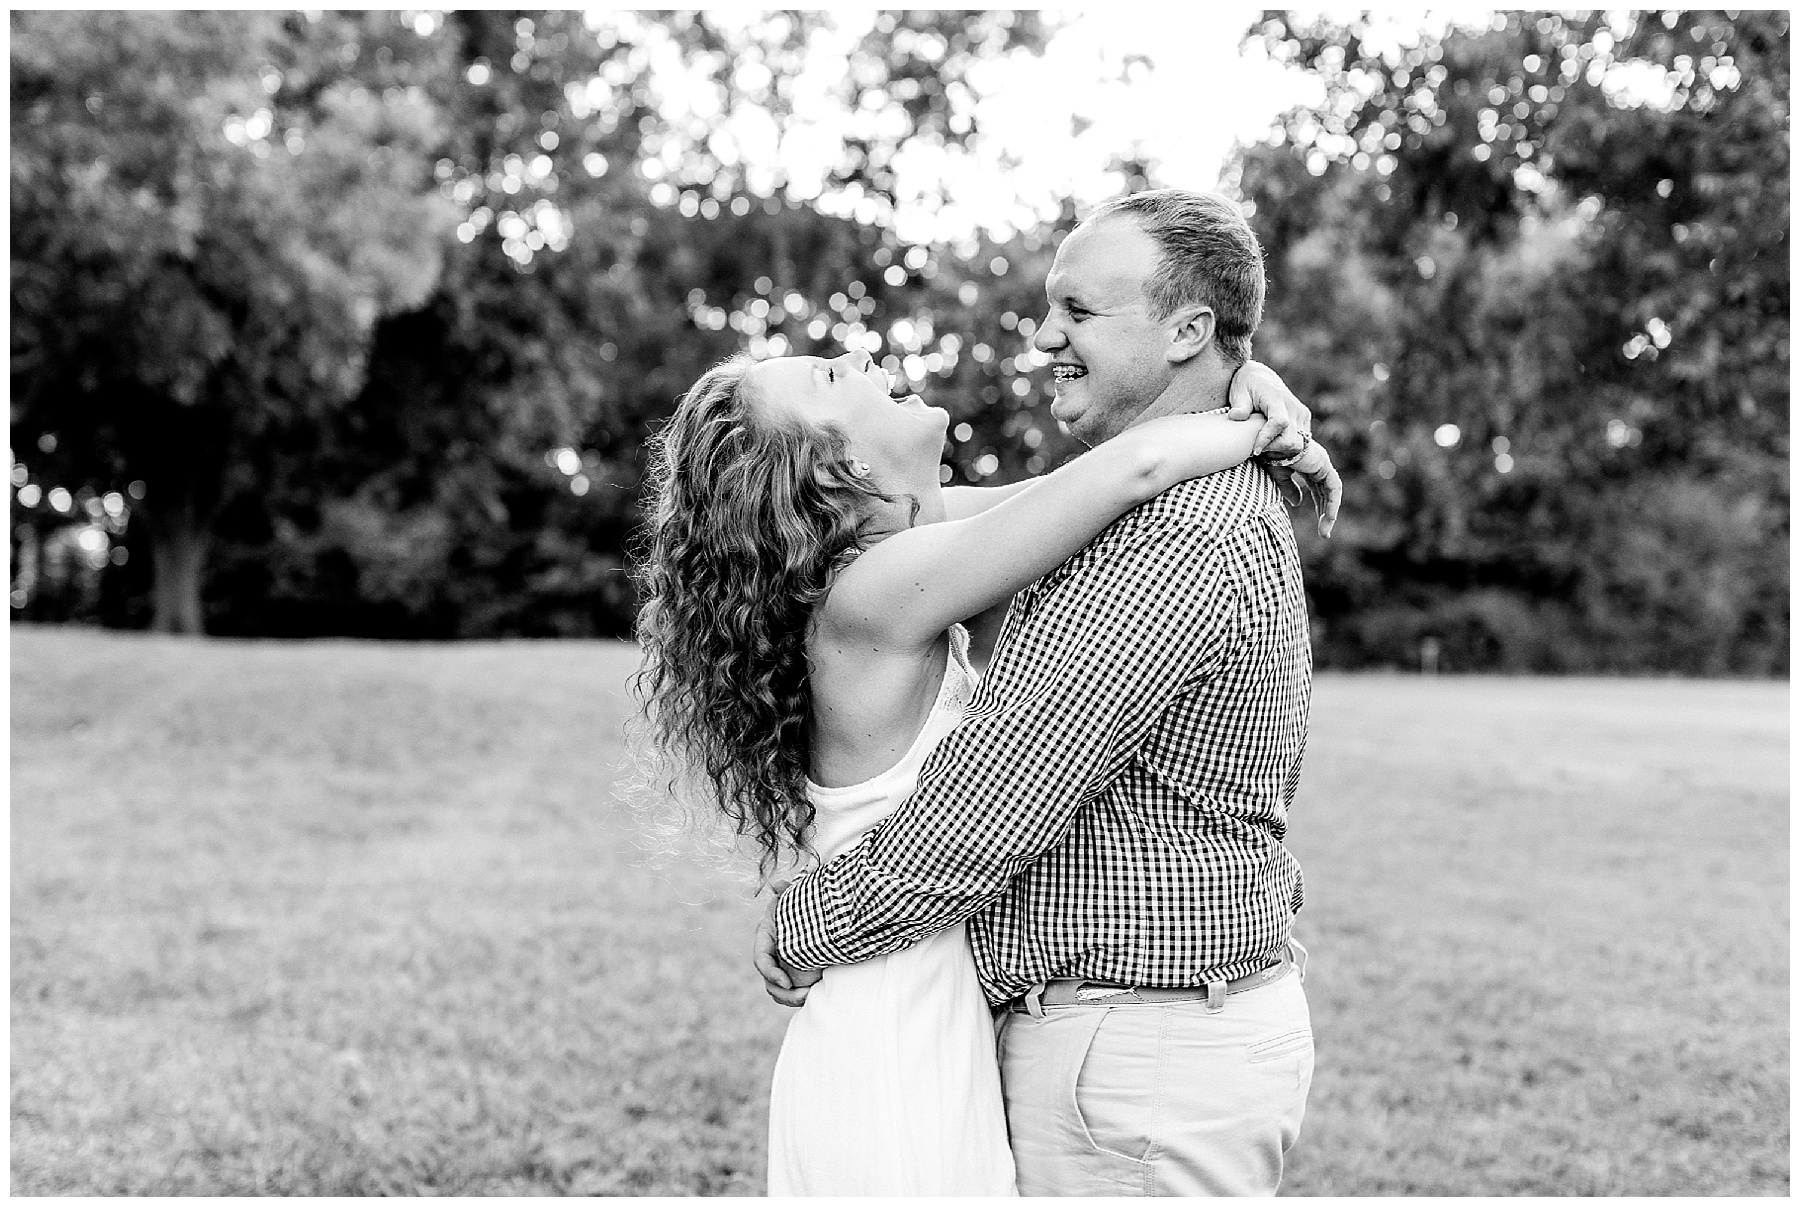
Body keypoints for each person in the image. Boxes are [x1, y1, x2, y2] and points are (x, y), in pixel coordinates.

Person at [634, 242, 1337, 1194]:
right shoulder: (878, 590)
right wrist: (1255, 427)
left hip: (926, 987)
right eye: (834, 377)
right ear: (832, 467)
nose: (861, 359)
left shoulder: (903, 545)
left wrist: (1248, 383)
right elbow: (1121, 481)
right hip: (895, 1015)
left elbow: (1068, 497)